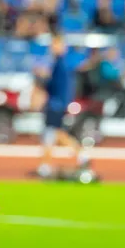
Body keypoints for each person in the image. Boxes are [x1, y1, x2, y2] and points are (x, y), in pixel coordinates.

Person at [35, 33, 88, 179]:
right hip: (56, 104)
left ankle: (46, 165)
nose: (53, 48)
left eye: (55, 45)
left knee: (51, 134)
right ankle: (79, 155)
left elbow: (58, 87)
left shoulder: (60, 65)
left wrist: (42, 78)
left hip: (55, 105)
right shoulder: (60, 64)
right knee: (53, 134)